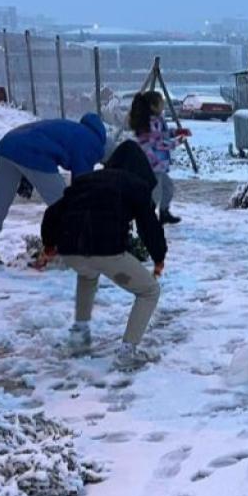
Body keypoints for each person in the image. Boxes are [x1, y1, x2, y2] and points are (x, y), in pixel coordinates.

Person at [40, 139, 168, 368]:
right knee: (149, 290)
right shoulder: (135, 185)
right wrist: (159, 257)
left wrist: (49, 245)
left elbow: (52, 212)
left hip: (71, 250)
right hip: (107, 252)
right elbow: (148, 226)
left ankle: (80, 335)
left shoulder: (86, 180)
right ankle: (128, 352)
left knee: (87, 273)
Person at [0, 113, 107, 270]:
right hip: (34, 155)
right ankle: (69, 253)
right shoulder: (92, 142)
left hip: (7, 146)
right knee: (65, 206)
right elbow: (82, 185)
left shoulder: (71, 127)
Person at [130, 91, 188, 225]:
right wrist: (177, 142)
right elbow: (158, 144)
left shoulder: (156, 120)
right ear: (153, 106)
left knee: (167, 188)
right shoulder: (150, 122)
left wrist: (176, 132)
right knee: (156, 193)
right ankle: (147, 219)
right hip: (152, 162)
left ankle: (164, 213)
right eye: (161, 102)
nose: (164, 104)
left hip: (158, 163)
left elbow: (161, 135)